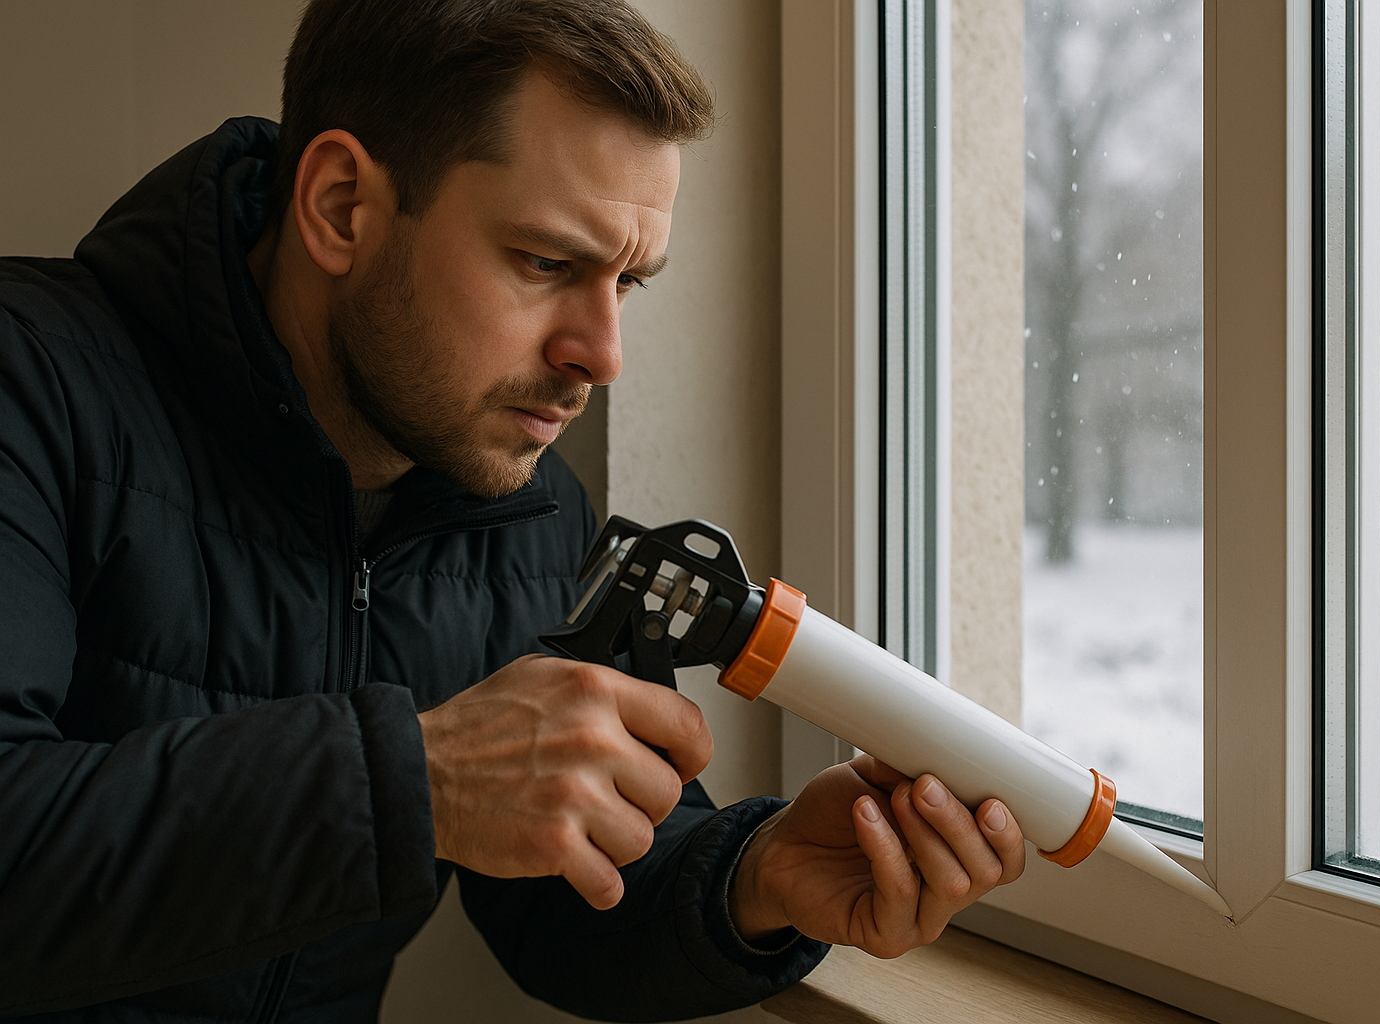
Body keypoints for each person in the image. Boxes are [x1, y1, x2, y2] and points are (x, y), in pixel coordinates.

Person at [0, 1, 1027, 1019]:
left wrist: (755, 880)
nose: (603, 353)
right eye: (546, 263)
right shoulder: (27, 388)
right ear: (342, 206)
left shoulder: (529, 514)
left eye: (628, 281)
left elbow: (566, 903)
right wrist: (417, 783)